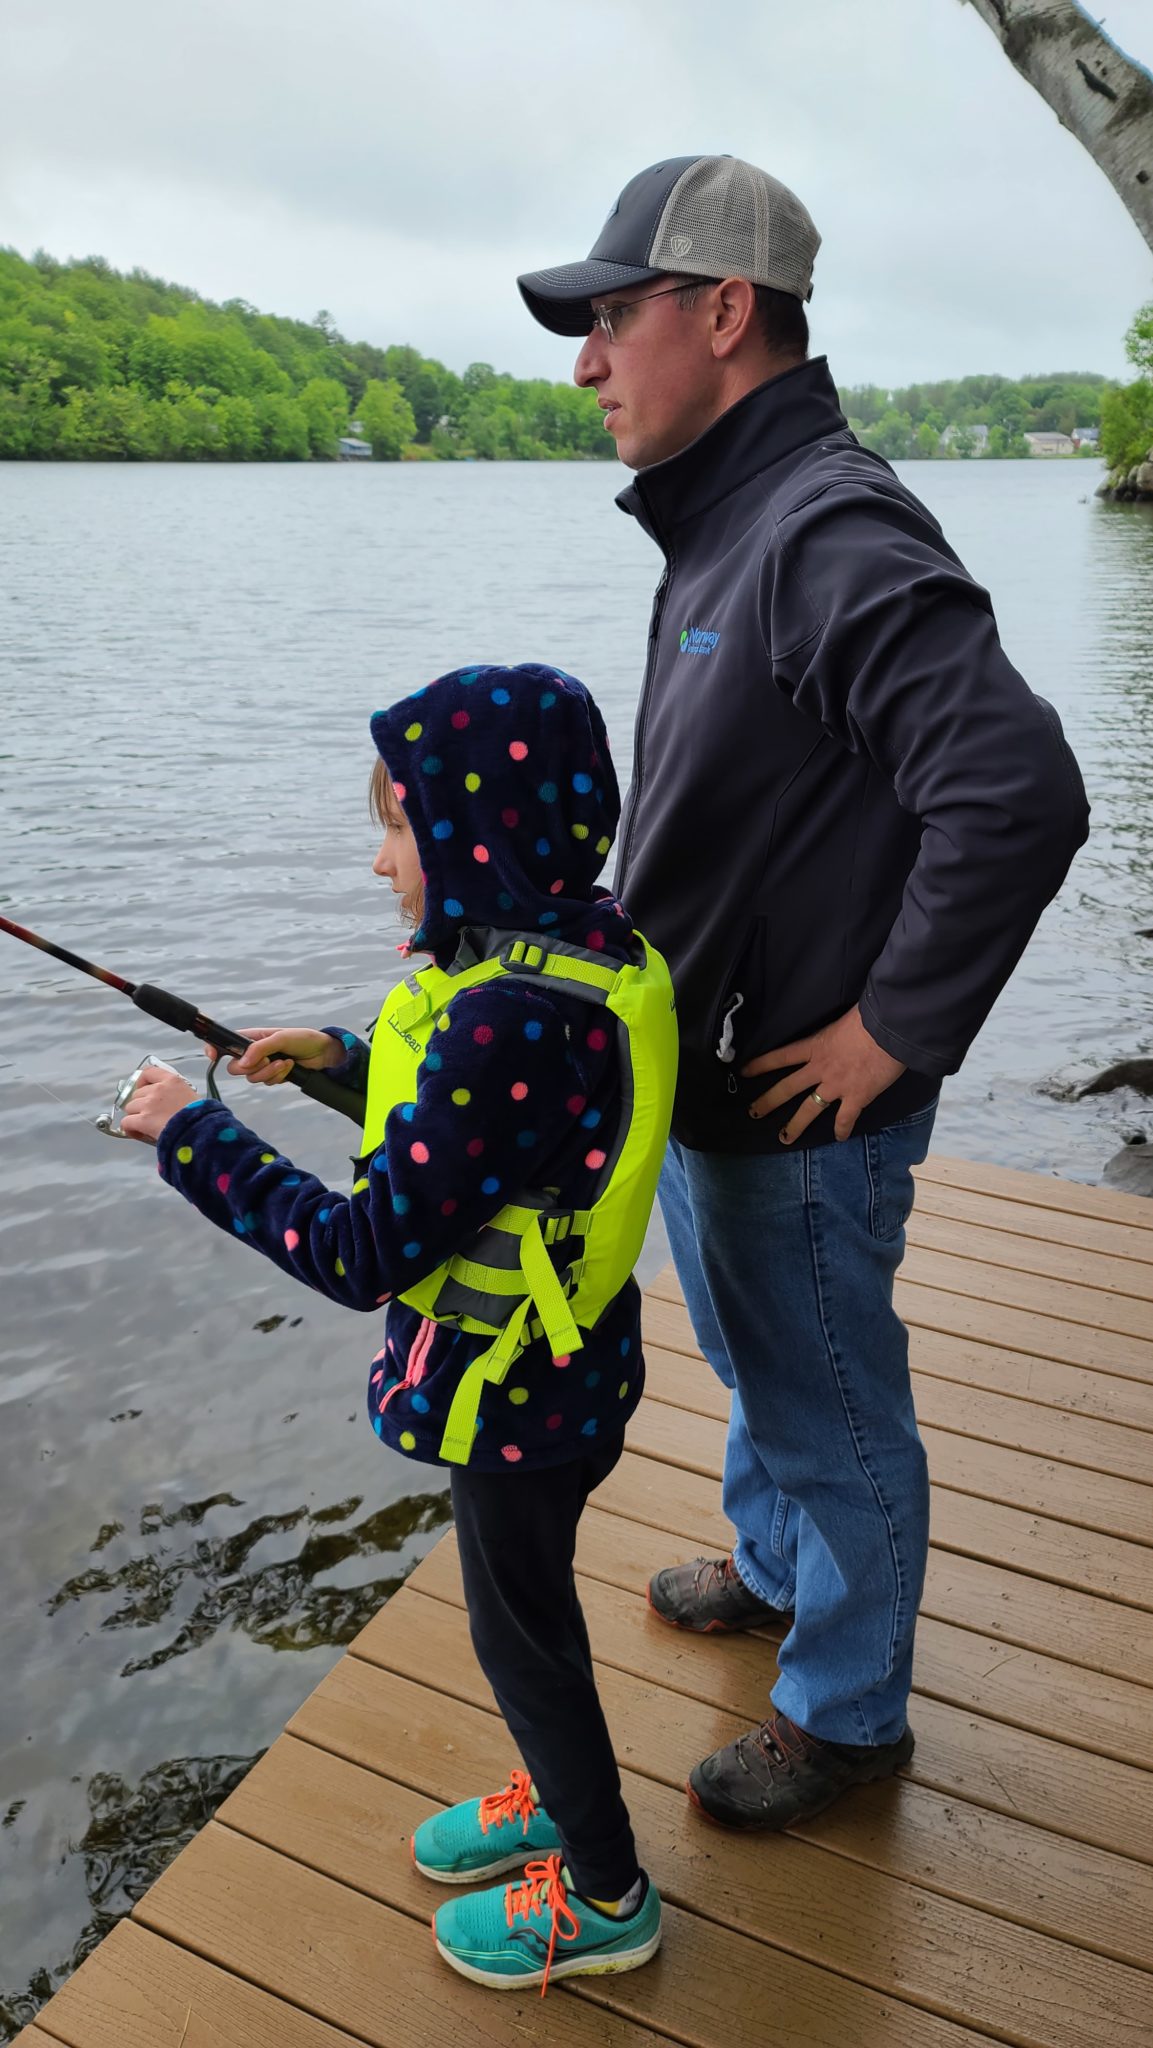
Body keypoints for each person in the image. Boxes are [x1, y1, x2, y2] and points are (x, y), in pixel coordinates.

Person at [518, 155, 1090, 1830]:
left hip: (799, 1102)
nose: (586, 358)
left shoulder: (818, 525)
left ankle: (846, 1714)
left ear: (722, 310)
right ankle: (774, 1572)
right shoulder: (728, 516)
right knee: (771, 1368)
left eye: (612, 316)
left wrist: (896, 1027)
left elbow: (1015, 784)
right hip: (709, 1078)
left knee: (834, 1401)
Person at [121, 661, 675, 1993]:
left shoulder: (506, 1024)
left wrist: (193, 1138)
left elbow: (360, 1250)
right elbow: (487, 1144)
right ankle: (557, 1792)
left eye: (394, 829)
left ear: (476, 840)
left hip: (516, 1405)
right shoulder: (578, 951)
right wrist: (328, 1057)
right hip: (577, 1367)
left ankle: (604, 1890)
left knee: (518, 1632)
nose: (377, 864)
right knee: (527, 1622)